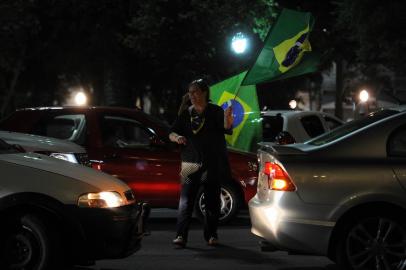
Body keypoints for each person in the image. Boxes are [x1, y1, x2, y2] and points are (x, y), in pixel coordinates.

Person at [169, 79, 233, 247]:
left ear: (204, 93)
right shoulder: (186, 113)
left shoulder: (216, 111)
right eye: (190, 92)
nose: (192, 95)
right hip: (189, 164)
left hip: (212, 163)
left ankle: (212, 235)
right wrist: (178, 138)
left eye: (195, 91)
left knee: (212, 201)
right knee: (186, 201)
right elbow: (172, 133)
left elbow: (227, 129)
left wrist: (227, 119)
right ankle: (181, 235)